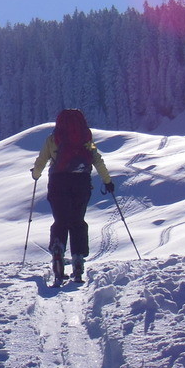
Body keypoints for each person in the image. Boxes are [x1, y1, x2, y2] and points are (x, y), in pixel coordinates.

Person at [31, 109, 114, 282]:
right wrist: (107, 181)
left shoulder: (53, 139)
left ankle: (58, 249)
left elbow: (41, 161)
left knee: (60, 221)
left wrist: (36, 174)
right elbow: (96, 158)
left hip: (58, 182)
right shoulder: (86, 139)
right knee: (77, 221)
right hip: (81, 182)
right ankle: (77, 259)